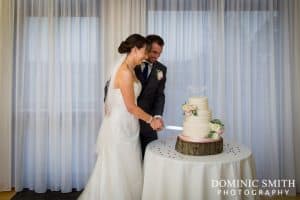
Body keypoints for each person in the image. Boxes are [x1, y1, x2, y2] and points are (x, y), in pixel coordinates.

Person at [78, 34, 163, 200]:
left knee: (128, 167)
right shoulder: (124, 72)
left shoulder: (131, 69)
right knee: (117, 169)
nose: (146, 56)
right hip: (120, 126)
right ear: (134, 50)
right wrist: (151, 119)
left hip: (130, 125)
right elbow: (131, 107)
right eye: (145, 52)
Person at [135, 34, 167, 158]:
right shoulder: (132, 63)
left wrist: (158, 116)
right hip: (128, 120)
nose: (156, 56)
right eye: (154, 52)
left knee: (150, 158)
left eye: (159, 53)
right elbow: (110, 86)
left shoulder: (161, 69)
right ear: (146, 47)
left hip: (149, 124)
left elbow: (160, 95)